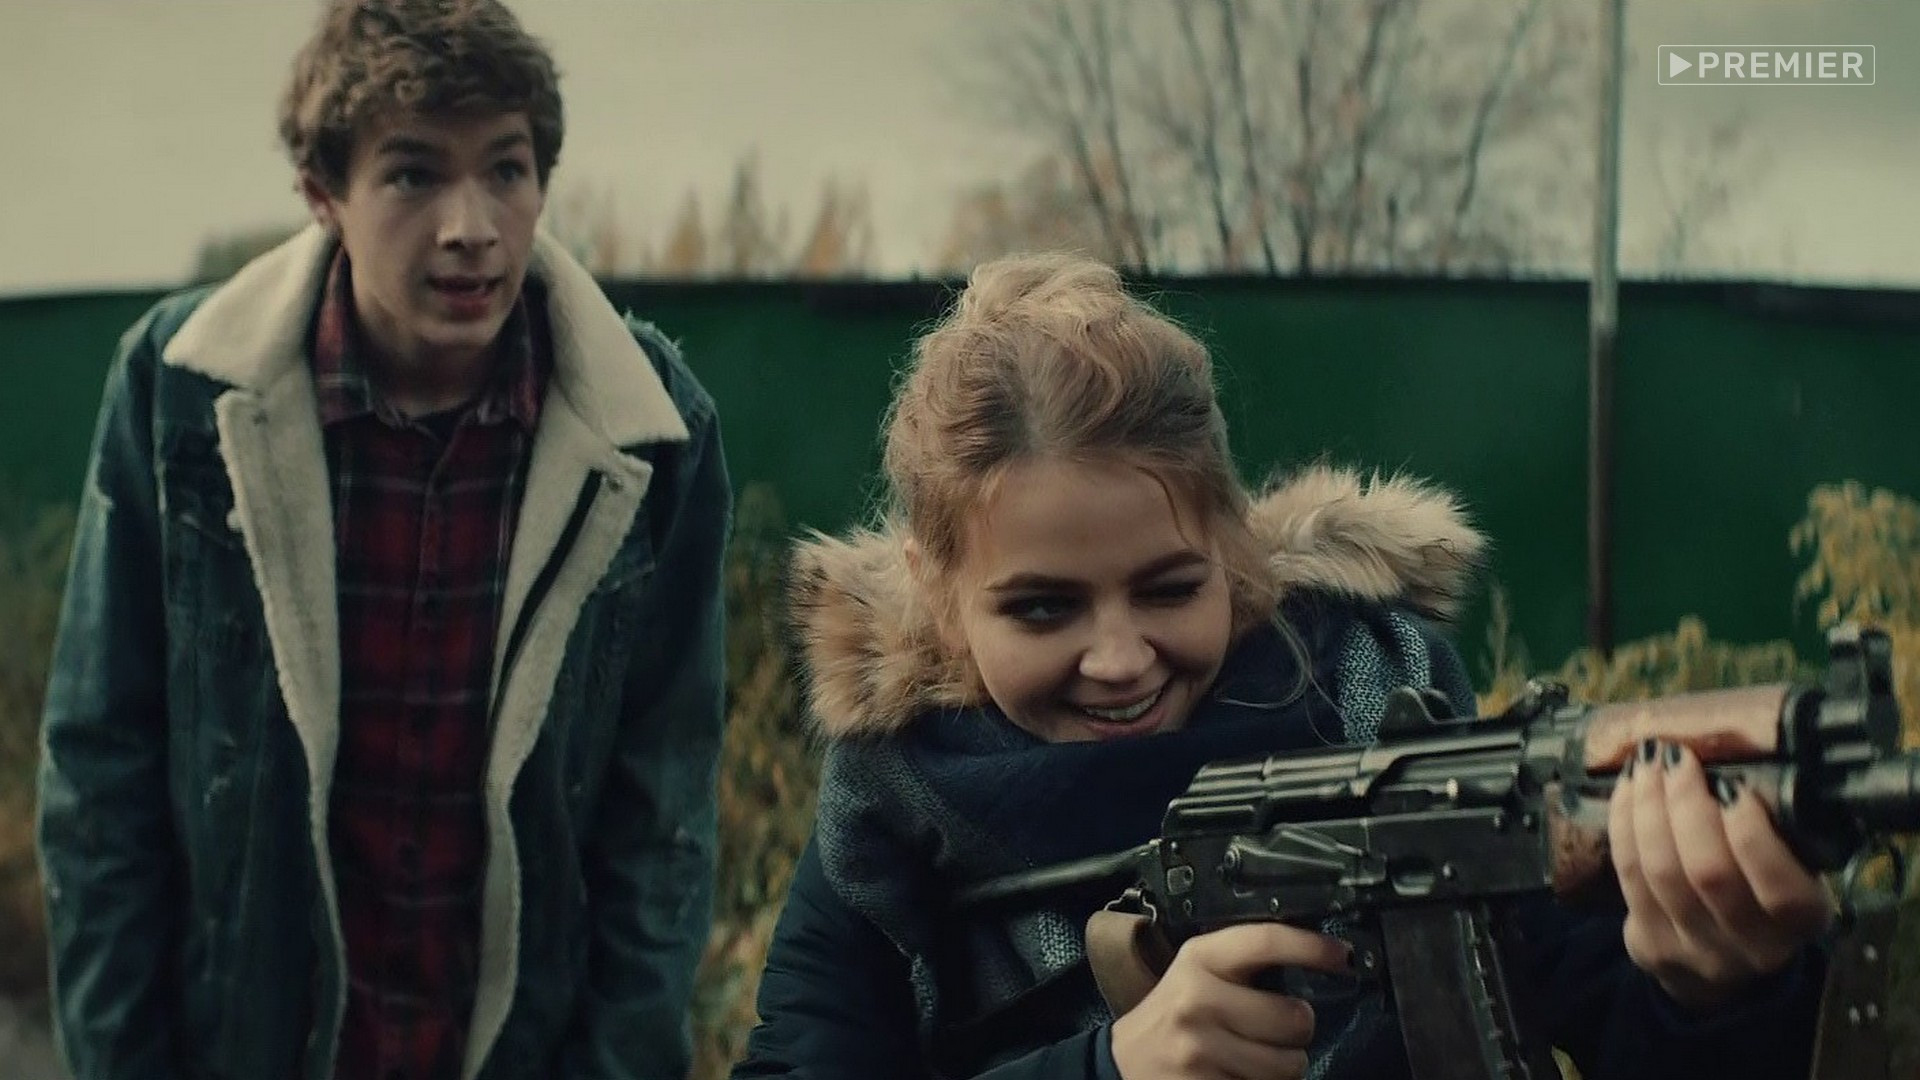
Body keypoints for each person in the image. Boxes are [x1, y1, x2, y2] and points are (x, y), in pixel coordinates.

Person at [730, 252, 1833, 1080]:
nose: (1120, 658)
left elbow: (1626, 1024)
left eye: (1171, 588)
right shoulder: (896, 808)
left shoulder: (1377, 703)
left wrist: (1715, 989)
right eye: (1043, 608)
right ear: (935, 589)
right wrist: (1110, 1069)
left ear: (1233, 544)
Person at [35, 2, 730, 1078]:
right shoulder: (178, 397)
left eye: (506, 169)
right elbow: (100, 782)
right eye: (413, 174)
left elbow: (662, 827)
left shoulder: (652, 432)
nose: (472, 226)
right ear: (325, 193)